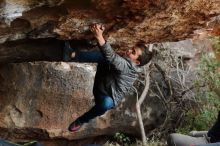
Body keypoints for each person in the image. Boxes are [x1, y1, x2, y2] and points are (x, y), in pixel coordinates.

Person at [65, 23, 154, 132]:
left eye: (133, 52)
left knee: (107, 103)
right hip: (103, 82)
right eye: (132, 48)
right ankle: (73, 54)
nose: (129, 50)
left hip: (103, 95)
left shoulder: (129, 68)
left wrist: (99, 36)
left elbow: (111, 56)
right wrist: (105, 33)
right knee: (105, 58)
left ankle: (81, 121)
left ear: (136, 62)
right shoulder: (127, 60)